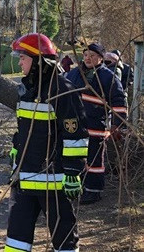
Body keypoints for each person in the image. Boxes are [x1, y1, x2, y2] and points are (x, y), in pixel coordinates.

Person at [5, 33, 89, 252]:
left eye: (23, 57)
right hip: (25, 179)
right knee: (16, 238)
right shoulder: (27, 90)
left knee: (64, 239)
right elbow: (24, 129)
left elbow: (75, 134)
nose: (19, 62)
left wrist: (72, 171)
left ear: (38, 62)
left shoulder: (62, 89)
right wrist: (17, 151)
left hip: (54, 181)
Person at [66, 43, 127, 204]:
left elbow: (119, 101)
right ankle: (75, 188)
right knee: (74, 159)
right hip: (73, 127)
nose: (88, 58)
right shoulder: (73, 74)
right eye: (86, 55)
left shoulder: (108, 77)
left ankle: (93, 191)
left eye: (92, 56)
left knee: (94, 160)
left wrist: (116, 125)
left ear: (100, 58)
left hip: (95, 127)